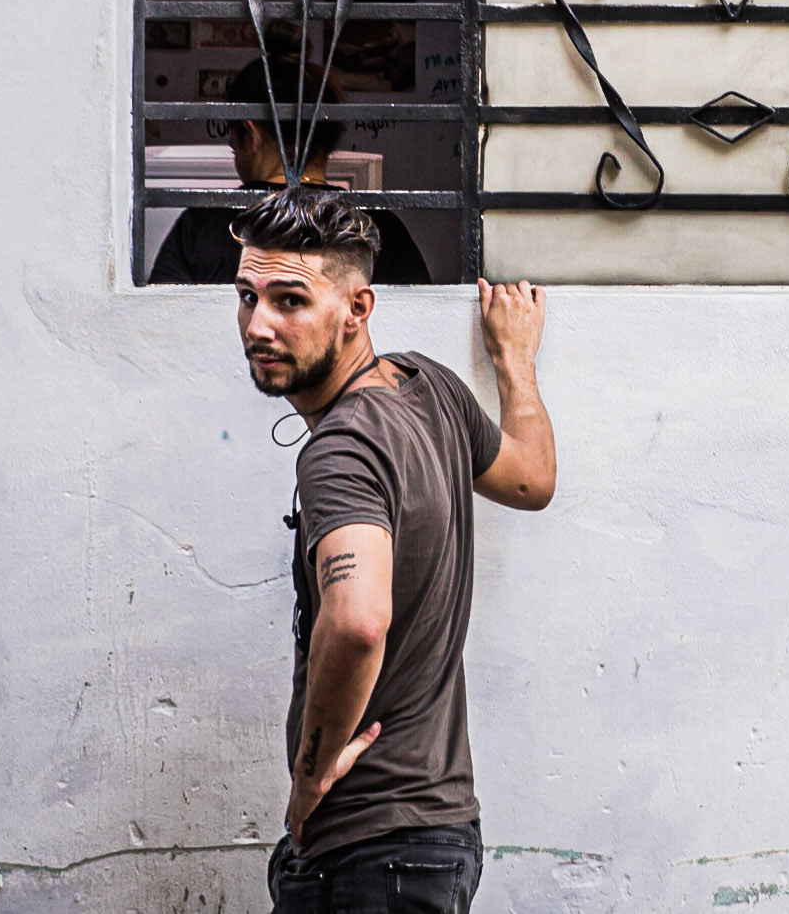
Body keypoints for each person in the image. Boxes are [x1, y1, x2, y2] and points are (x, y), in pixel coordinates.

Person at [234, 187, 555, 912]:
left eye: (289, 300)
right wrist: (514, 362)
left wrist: (310, 775)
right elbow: (531, 479)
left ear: (357, 309)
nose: (258, 324)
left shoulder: (340, 450)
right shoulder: (427, 386)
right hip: (439, 830)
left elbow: (356, 620)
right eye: (247, 296)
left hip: (370, 847)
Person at [151, 55, 431, 283]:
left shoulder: (202, 225)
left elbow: (161, 324)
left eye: (232, 139)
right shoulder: (379, 227)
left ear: (252, 134)